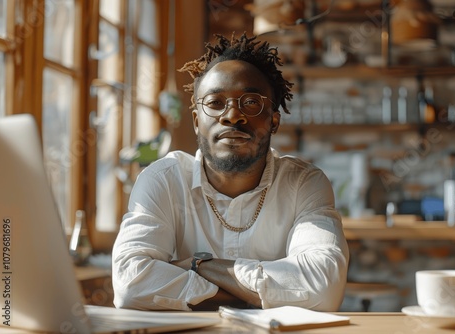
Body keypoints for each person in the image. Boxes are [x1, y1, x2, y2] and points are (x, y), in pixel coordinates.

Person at [112, 33, 349, 312]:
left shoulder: (304, 184)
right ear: (197, 122)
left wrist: (196, 265)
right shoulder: (164, 179)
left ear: (274, 121)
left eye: (250, 102)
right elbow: (130, 285)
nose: (232, 116)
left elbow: (324, 287)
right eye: (214, 103)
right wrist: (261, 296)